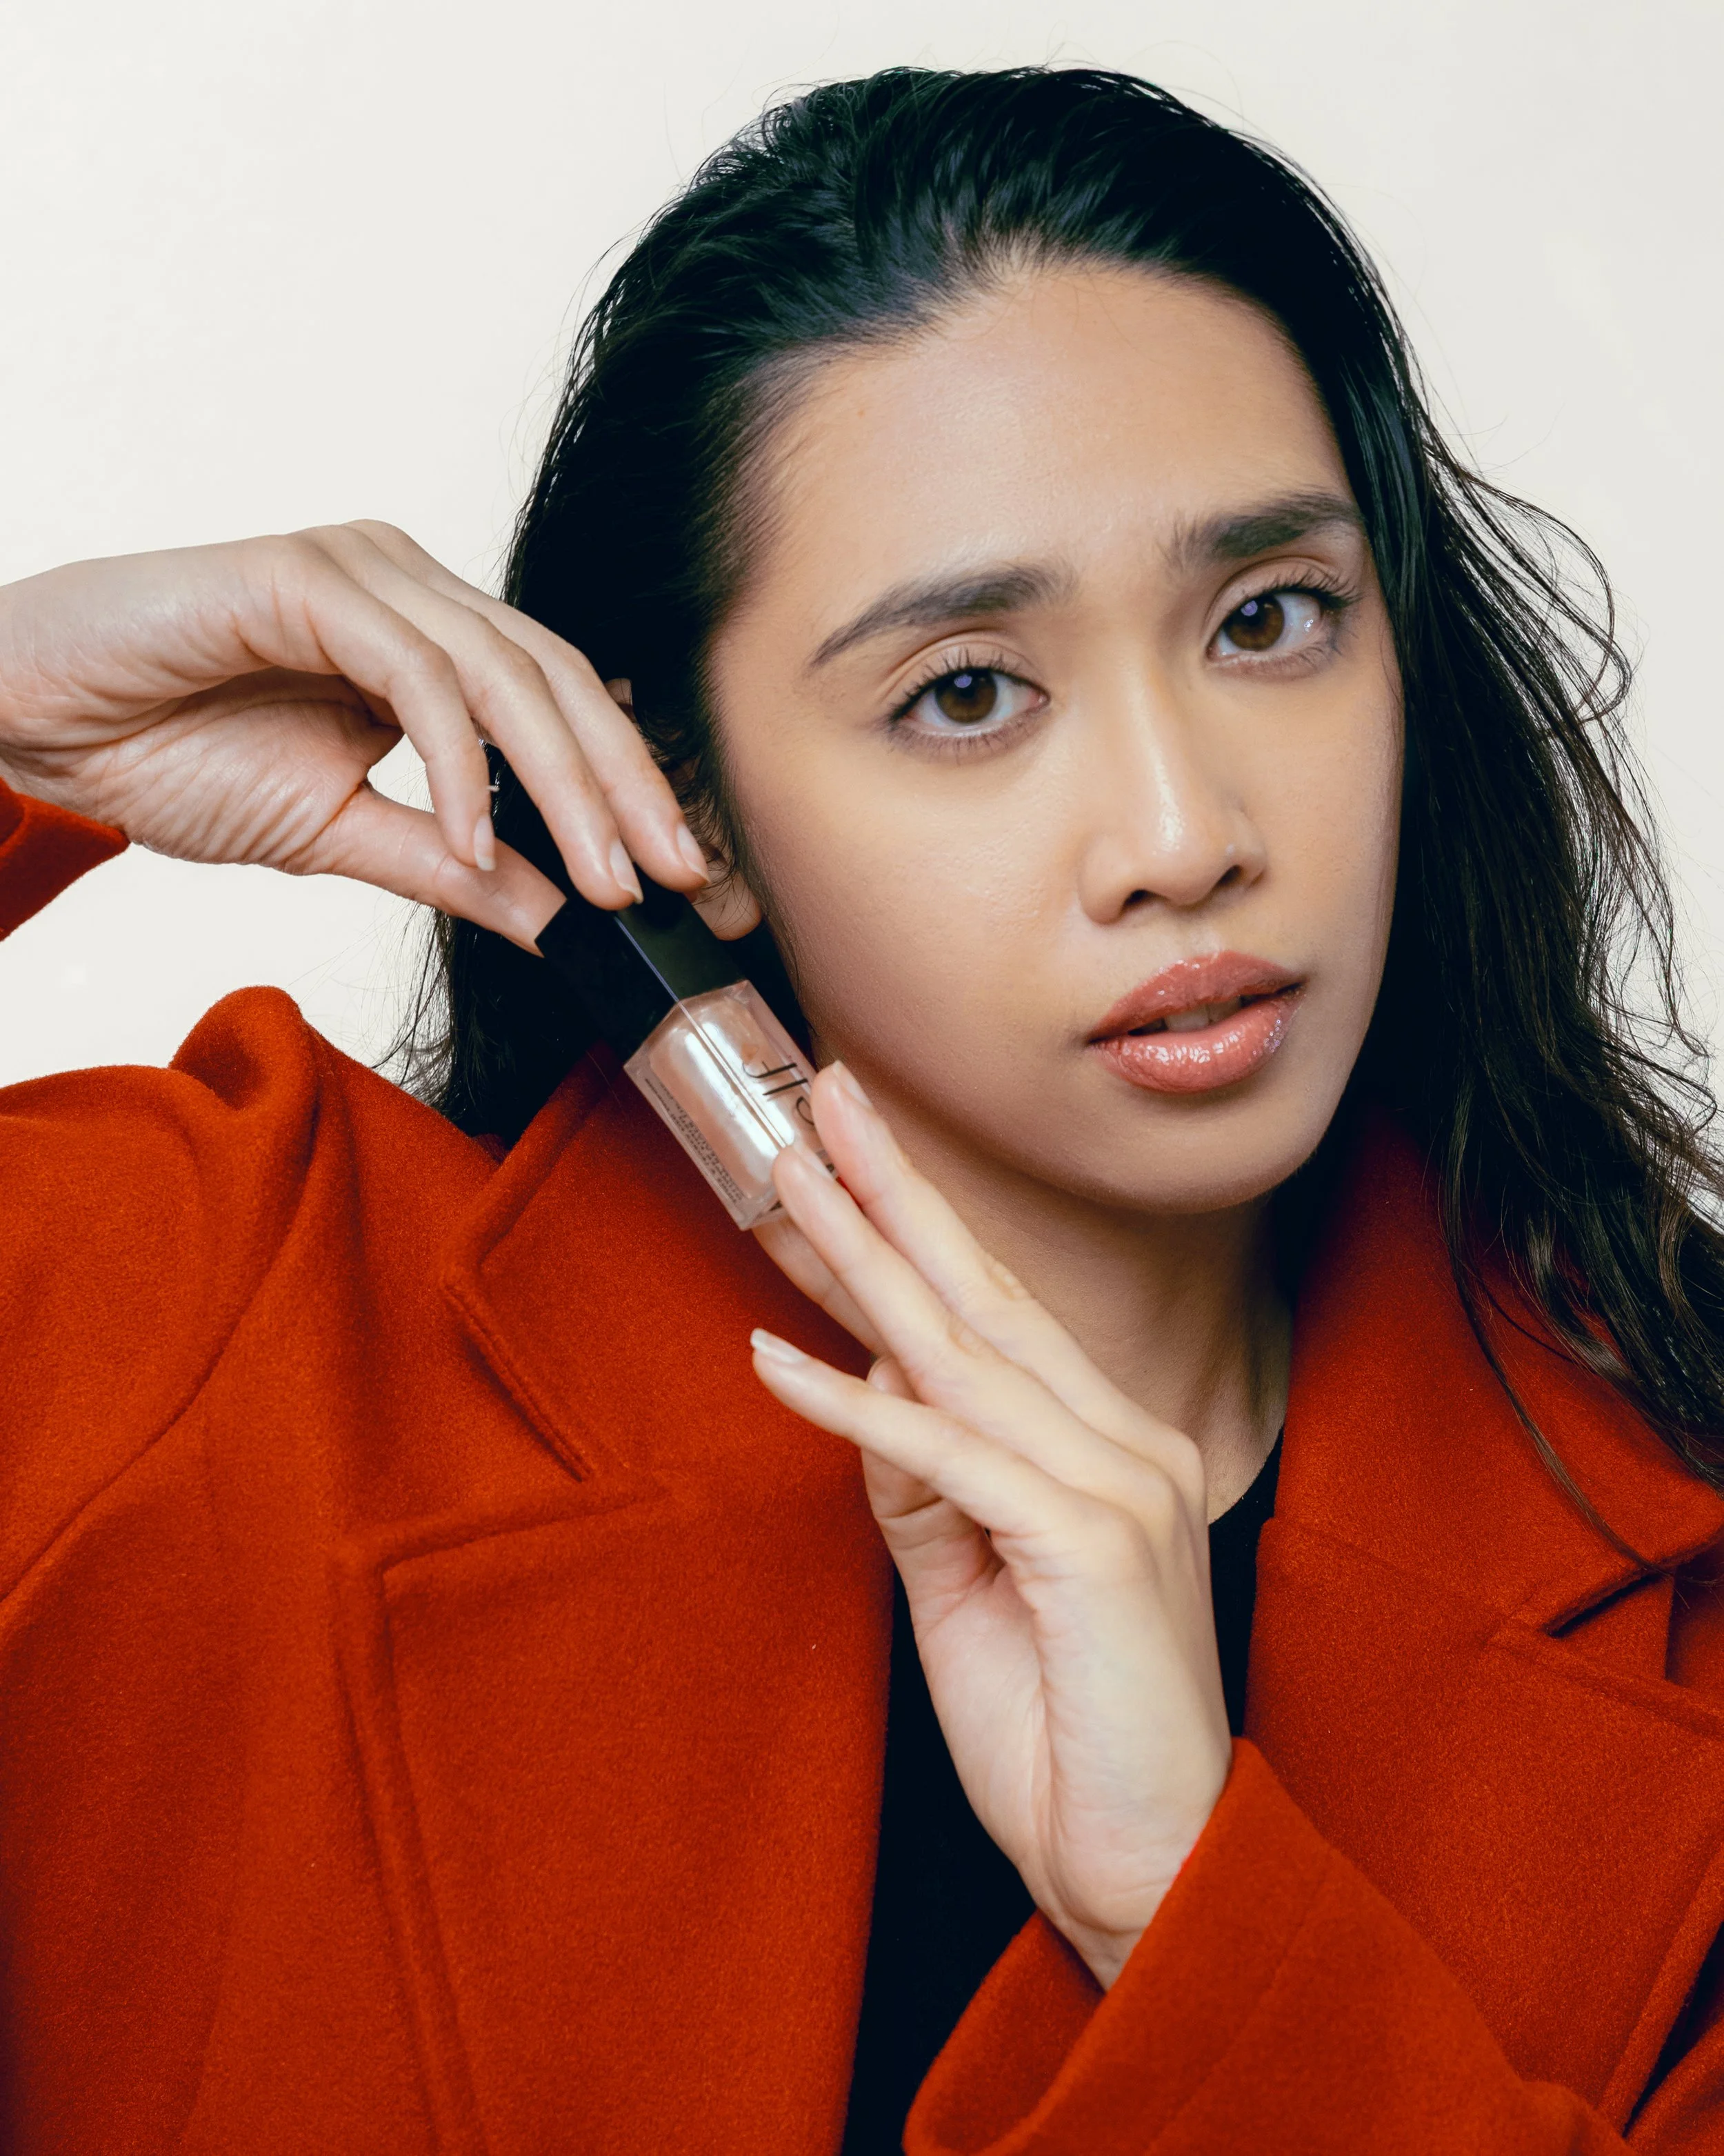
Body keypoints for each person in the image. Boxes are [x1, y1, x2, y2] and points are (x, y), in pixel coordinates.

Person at [2, 62, 1722, 2155]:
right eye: (967, 691)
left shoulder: (1672, 1571)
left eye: (1268, 621)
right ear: (685, 806)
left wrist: (1195, 1911)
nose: (1182, 836)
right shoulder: (213, 1325)